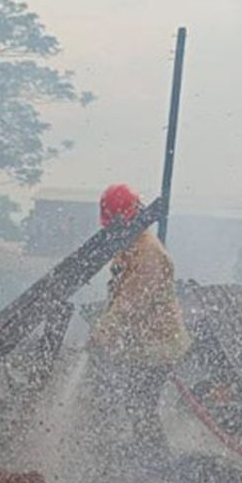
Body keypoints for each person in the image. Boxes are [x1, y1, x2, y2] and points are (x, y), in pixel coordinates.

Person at [88, 184, 191, 456]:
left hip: (159, 344)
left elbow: (129, 304)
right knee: (134, 402)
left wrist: (103, 332)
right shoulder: (131, 244)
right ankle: (146, 453)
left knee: (141, 404)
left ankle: (156, 459)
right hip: (143, 342)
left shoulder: (149, 255)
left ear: (126, 219)